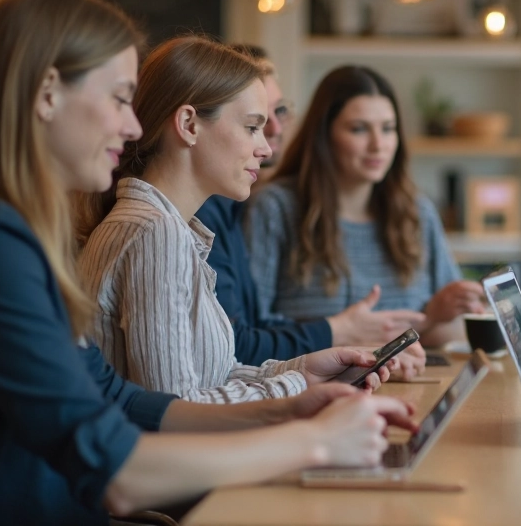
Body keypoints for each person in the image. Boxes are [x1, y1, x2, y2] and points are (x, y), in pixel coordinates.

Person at [0, 0, 414, 525]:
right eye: (121, 98)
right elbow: (118, 470)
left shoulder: (19, 233)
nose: (132, 126)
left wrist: (290, 404)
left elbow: (119, 400)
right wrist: (311, 440)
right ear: (48, 92)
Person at [76, 37, 402, 402]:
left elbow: (212, 375)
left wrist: (304, 370)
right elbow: (176, 409)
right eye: (252, 127)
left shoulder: (169, 229)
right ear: (189, 124)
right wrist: (296, 387)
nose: (264, 148)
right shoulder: (156, 233)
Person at [194, 46, 426, 376]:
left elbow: (242, 345)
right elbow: (237, 348)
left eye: (280, 111)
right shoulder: (233, 211)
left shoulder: (227, 205)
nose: (274, 131)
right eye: (254, 123)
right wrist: (342, 336)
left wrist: (362, 355)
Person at [244, 65, 486, 346]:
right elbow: (253, 331)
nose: (378, 145)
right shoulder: (275, 208)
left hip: (411, 385)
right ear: (324, 135)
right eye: (359, 129)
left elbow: (452, 331)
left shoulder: (417, 212)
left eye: (388, 129)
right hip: (315, 386)